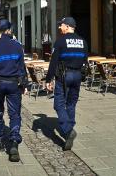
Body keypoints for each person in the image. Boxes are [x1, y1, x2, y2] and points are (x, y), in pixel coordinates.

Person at [0, 19, 28, 162]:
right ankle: (14, 141)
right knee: (14, 113)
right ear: (9, 30)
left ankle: (0, 139)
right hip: (14, 84)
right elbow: (22, 67)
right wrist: (25, 85)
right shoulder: (17, 46)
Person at [45, 17, 88, 151]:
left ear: (68, 26)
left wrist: (48, 79)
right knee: (71, 103)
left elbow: (53, 62)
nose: (59, 27)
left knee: (58, 104)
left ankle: (68, 130)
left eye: (61, 25)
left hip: (64, 76)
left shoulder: (61, 41)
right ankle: (69, 129)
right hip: (77, 75)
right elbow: (85, 60)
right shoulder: (83, 41)